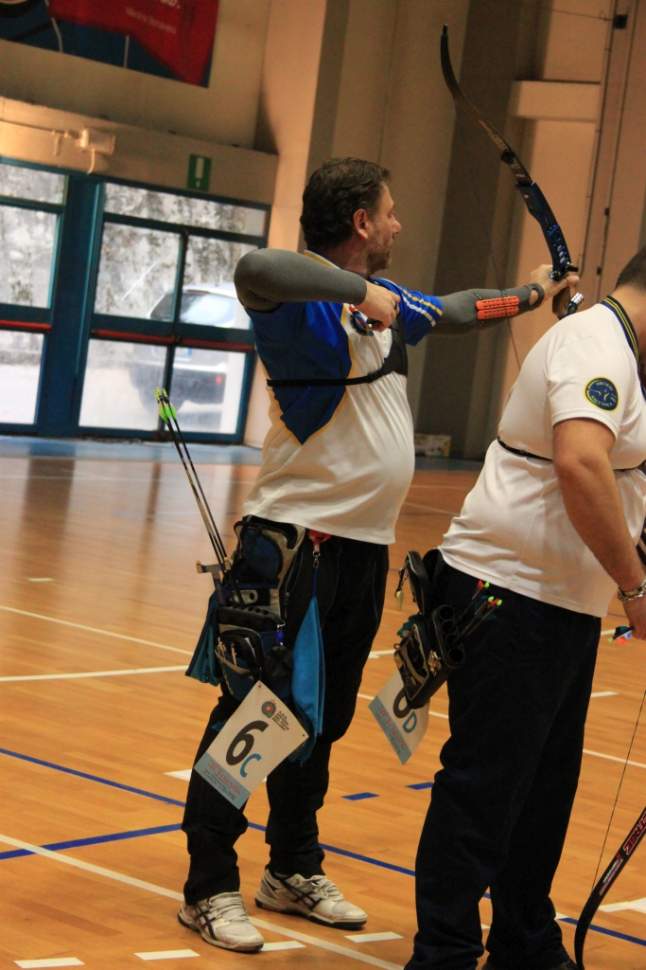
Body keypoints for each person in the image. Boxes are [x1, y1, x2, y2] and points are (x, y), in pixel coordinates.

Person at [177, 157, 576, 953]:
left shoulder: (378, 311)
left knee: (315, 727)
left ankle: (290, 865)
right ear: (361, 222)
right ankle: (208, 882)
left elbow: (458, 311)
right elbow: (254, 265)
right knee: (254, 718)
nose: (397, 226)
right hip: (294, 549)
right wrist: (361, 292)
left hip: (358, 552)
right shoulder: (301, 301)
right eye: (388, 214)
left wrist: (536, 294)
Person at [404, 246, 646, 970]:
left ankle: (522, 938)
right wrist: (635, 592)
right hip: (508, 595)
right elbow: (579, 463)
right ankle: (443, 953)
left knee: (543, 792)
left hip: (560, 603)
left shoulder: (625, 355)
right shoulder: (595, 342)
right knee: (485, 787)